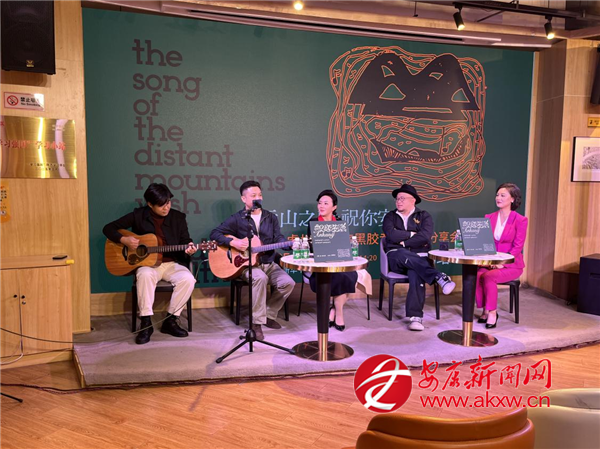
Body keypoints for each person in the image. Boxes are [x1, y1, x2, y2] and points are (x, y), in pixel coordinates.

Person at [103, 183, 198, 345]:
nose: (166, 207)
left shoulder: (178, 217)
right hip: (148, 265)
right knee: (144, 274)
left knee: (188, 279)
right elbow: (108, 228)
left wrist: (189, 249)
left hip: (171, 263)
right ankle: (146, 323)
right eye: (161, 205)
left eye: (168, 202)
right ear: (150, 204)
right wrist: (124, 240)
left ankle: (171, 320)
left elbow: (185, 240)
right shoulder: (138, 215)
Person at [209, 180, 294, 341]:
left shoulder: (271, 217)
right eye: (253, 195)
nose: (258, 198)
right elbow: (215, 234)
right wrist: (233, 242)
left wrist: (290, 245)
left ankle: (268, 314)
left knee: (287, 283)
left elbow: (278, 238)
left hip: (268, 262)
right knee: (260, 278)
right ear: (244, 199)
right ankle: (256, 324)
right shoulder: (237, 218)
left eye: (260, 195)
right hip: (246, 265)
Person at [382, 184, 456, 331]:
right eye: (397, 199)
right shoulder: (390, 216)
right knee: (402, 254)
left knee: (415, 272)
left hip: (419, 257)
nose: (399, 201)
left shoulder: (423, 216)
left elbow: (425, 236)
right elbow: (391, 235)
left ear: (413, 200)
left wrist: (404, 242)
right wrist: (410, 234)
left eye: (402, 198)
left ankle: (415, 317)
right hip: (396, 257)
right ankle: (438, 276)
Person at [306, 190, 372, 331]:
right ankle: (338, 313)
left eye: (326, 203)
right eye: (319, 203)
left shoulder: (340, 223)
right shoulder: (313, 223)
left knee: (349, 275)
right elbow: (312, 248)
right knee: (338, 276)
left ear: (334, 207)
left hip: (339, 263)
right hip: (321, 265)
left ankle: (335, 310)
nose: (321, 206)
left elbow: (343, 247)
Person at [476, 183, 528, 329]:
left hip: (511, 265)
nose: (498, 198)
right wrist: (488, 261)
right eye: (497, 195)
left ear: (512, 199)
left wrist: (502, 263)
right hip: (491, 261)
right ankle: (485, 309)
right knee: (478, 274)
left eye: (503, 195)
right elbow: (485, 242)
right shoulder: (489, 217)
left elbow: (518, 246)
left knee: (489, 277)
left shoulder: (520, 220)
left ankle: (492, 312)